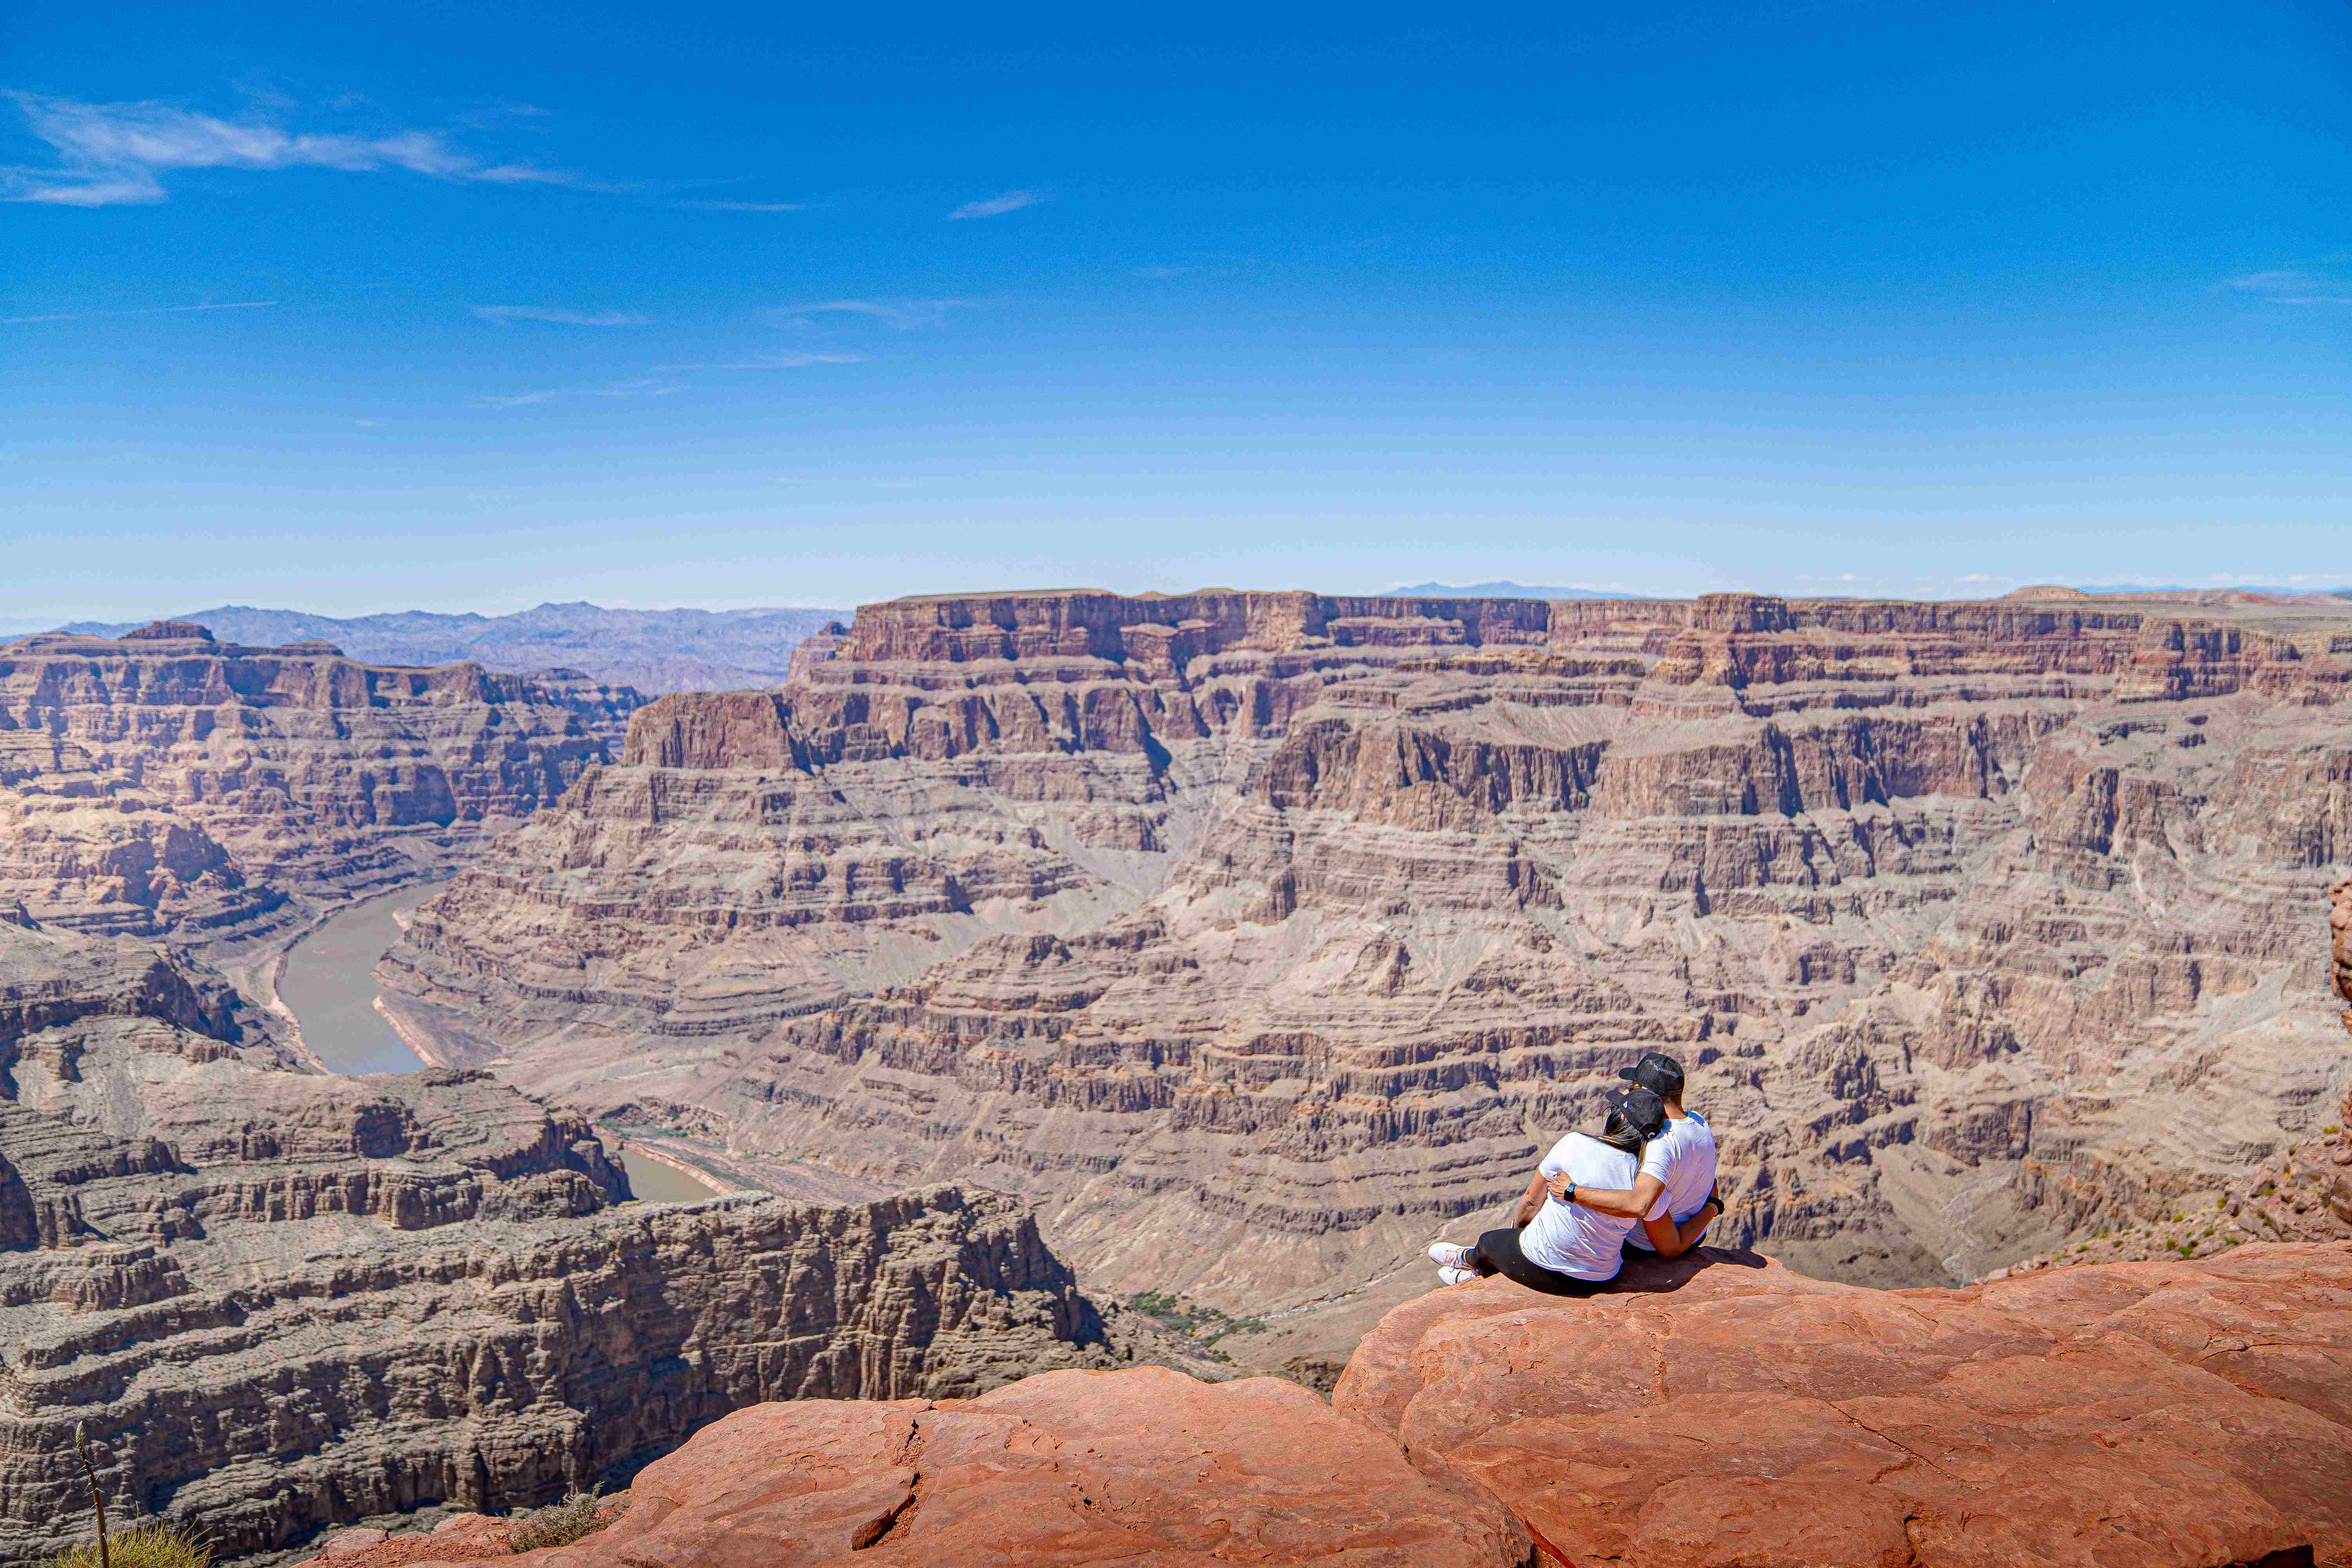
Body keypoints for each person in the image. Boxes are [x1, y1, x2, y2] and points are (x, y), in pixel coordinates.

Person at [1426, 1084, 1721, 1296]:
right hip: (1600, 1281)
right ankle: (1471, 1270)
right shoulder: (1649, 1185)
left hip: (1544, 1271)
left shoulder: (1573, 1144)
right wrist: (1713, 1207)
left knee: (1491, 1241)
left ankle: (1470, 1264)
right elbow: (1670, 1243)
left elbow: (1531, 1201)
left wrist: (1518, 1234)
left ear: (1616, 1120)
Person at [1553, 1051, 1720, 1254]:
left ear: (1646, 1093)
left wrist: (1573, 1192)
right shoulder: (1699, 1121)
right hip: (1698, 1235)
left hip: (1646, 1248)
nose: (1629, 1093)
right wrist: (1712, 1207)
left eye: (1633, 1088)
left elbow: (1641, 1206)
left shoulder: (1660, 1143)